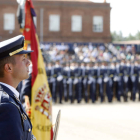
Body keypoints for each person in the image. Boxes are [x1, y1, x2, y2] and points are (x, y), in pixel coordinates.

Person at [0, 35, 36, 140]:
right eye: (23, 59)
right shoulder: (7, 105)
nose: (28, 62)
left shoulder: (9, 97)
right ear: (9, 67)